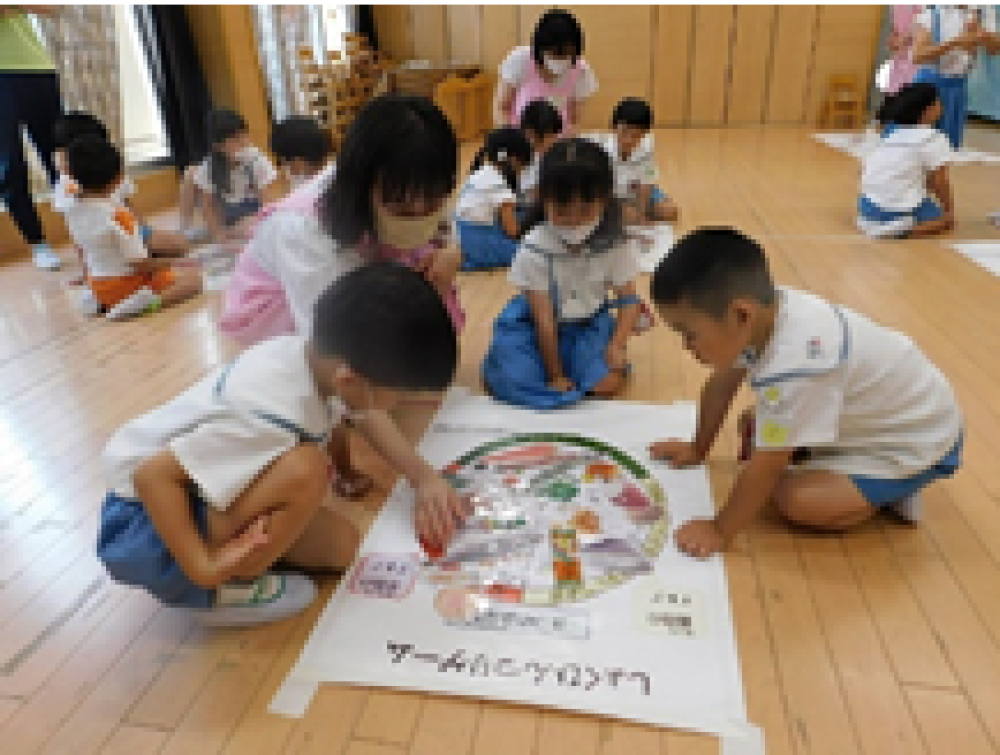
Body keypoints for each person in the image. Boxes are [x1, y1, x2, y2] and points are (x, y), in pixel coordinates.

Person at [98, 262, 465, 626]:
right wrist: (204, 570)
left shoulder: (312, 360)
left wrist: (421, 478)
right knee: (307, 469)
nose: (396, 406)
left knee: (342, 547)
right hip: (144, 526)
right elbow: (153, 477)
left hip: (195, 497)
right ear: (350, 379)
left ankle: (233, 556)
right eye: (397, 396)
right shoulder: (266, 413)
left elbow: (355, 415)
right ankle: (221, 591)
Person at [648, 228, 963, 559]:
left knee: (795, 499)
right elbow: (719, 386)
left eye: (689, 334)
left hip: (914, 441)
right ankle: (844, 475)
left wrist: (719, 529)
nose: (686, 347)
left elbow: (768, 466)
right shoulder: (763, 313)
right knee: (759, 427)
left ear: (741, 315)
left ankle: (890, 491)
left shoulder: (798, 366)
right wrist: (698, 448)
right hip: (877, 417)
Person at [220, 94, 463, 499]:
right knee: (331, 378)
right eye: (402, 207)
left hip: (359, 273)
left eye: (433, 201)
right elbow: (338, 356)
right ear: (363, 185)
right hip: (277, 308)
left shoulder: (414, 186)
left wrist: (452, 255)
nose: (421, 213)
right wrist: (422, 476)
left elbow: (441, 231)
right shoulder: (304, 232)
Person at [482, 138, 643, 409]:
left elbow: (628, 301)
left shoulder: (615, 242)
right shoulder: (534, 247)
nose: (575, 220)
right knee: (514, 379)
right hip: (534, 326)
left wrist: (616, 345)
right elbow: (543, 320)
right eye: (562, 211)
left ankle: (581, 367)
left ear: (604, 200)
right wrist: (555, 375)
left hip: (588, 325)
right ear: (543, 200)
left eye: (586, 210)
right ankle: (548, 368)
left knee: (606, 385)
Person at [62, 135, 201, 320]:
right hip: (127, 285)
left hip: (97, 285)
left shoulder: (71, 210)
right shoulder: (120, 215)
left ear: (71, 175)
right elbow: (140, 264)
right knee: (193, 280)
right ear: (119, 179)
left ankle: (103, 302)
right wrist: (173, 263)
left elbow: (82, 250)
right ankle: (143, 305)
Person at [51, 111, 188, 275]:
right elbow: (77, 232)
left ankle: (146, 254)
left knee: (179, 244)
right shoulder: (67, 187)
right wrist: (86, 270)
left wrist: (143, 232)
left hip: (130, 232)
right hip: (105, 244)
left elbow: (129, 206)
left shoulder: (108, 168)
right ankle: (143, 258)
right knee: (171, 254)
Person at [0, 5, 63, 269]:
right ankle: (38, 244)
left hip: (37, 68)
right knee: (10, 164)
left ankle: (89, 232)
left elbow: (54, 8)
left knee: (60, 157)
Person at [857, 82, 955, 239]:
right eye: (938, 101)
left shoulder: (891, 134)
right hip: (894, 208)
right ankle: (902, 230)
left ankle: (876, 221)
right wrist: (949, 210)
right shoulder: (934, 138)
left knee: (917, 184)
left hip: (866, 206)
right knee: (943, 221)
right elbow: (940, 181)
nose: (941, 105)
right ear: (927, 110)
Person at [178, 108, 281, 243]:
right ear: (218, 146)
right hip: (224, 214)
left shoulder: (256, 158)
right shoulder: (208, 168)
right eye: (235, 139)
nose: (244, 142)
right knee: (190, 173)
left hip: (249, 213)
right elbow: (207, 207)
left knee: (258, 223)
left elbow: (266, 198)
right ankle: (186, 228)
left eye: (245, 135)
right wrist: (219, 235)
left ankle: (227, 231)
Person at [493, 9, 597, 137]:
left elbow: (575, 120)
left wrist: (564, 146)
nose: (559, 59)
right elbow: (500, 108)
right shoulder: (520, 60)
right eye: (553, 53)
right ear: (540, 48)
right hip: (520, 140)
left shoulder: (581, 71)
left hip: (557, 144)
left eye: (566, 54)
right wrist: (512, 140)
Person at [911, 5, 1000, 149]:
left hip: (957, 88)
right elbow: (917, 55)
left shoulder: (984, 10)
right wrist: (955, 42)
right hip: (928, 87)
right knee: (918, 148)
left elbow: (994, 49)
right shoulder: (933, 13)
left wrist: (984, 35)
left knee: (947, 149)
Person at [454, 126, 533, 270]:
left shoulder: (479, 174)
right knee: (531, 252)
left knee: (522, 214)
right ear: (513, 159)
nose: (522, 171)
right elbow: (512, 231)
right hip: (481, 243)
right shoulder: (498, 185)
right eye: (523, 165)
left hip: (461, 237)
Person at [592, 97, 678, 225]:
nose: (629, 140)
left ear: (645, 134)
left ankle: (629, 212)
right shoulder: (600, 146)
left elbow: (646, 182)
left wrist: (641, 212)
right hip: (609, 195)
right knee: (612, 214)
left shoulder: (647, 146)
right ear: (613, 127)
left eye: (636, 136)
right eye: (624, 133)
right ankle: (625, 212)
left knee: (671, 211)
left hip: (636, 192)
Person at [518, 99, 563, 202]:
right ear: (529, 134)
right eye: (549, 137)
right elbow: (532, 195)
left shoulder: (554, 154)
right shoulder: (522, 159)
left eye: (555, 136)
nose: (554, 142)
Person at [884, 5, 921, 94]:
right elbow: (895, 29)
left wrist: (905, 38)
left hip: (917, 58)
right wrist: (893, 39)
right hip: (899, 62)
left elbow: (925, 25)